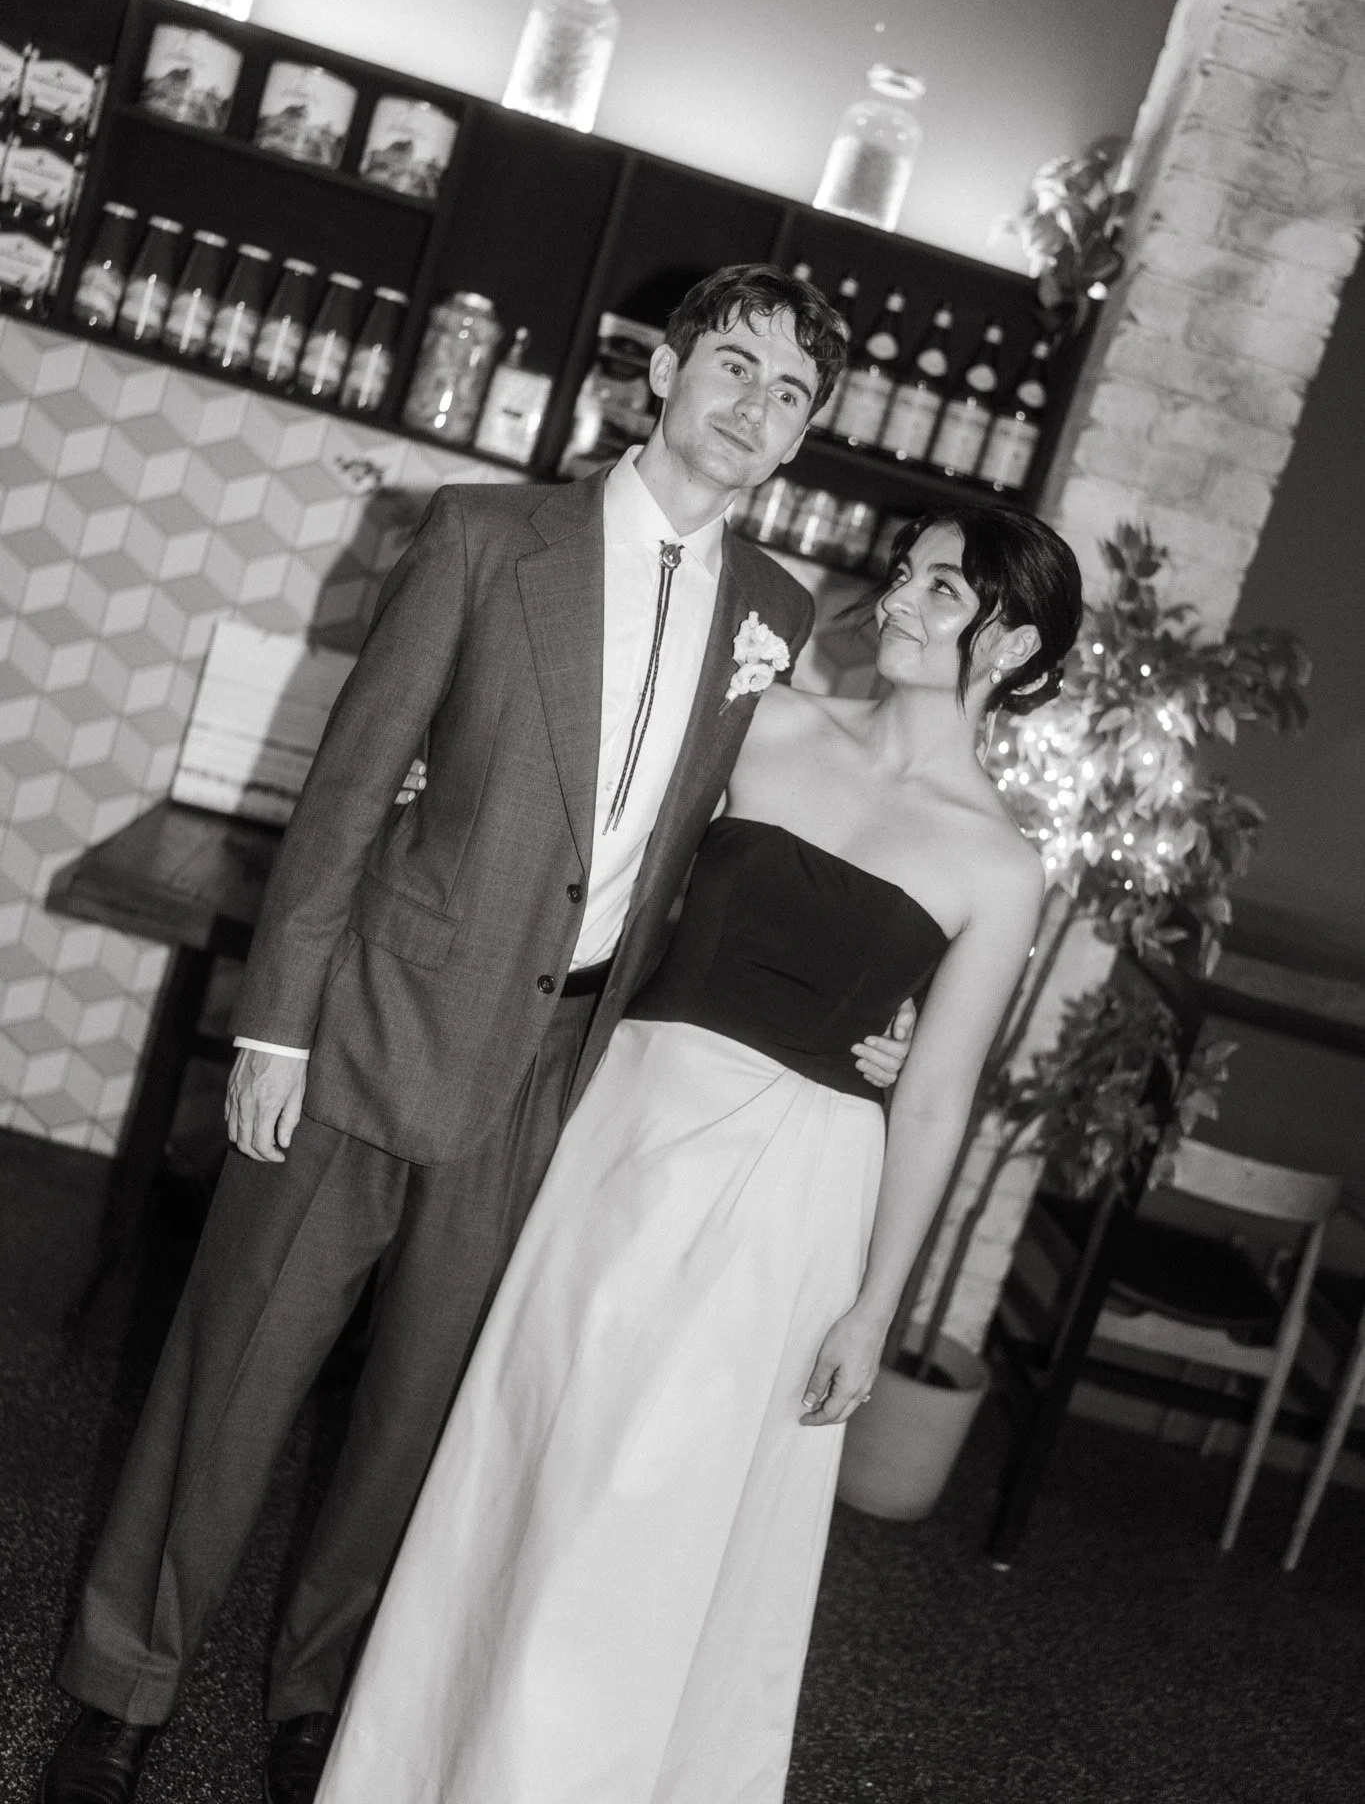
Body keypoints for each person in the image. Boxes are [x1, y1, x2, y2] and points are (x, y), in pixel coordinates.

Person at [41, 266, 914, 1804]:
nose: (755, 407)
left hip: (559, 1079)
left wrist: (866, 1008)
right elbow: (347, 789)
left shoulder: (778, 619)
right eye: (734, 366)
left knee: (427, 1421)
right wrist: (275, 1031)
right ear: (662, 373)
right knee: (231, 1374)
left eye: (791, 396)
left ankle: (329, 1702)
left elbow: (765, 851)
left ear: (800, 441)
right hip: (371, 1029)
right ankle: (124, 1693)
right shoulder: (484, 538)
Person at [313, 498, 1084, 1804]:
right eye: (904, 573)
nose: (897, 600)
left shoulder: (1001, 869)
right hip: (629, 1128)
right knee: (534, 1442)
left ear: (1012, 648)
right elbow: (610, 858)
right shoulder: (769, 725)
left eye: (943, 592)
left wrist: (876, 1309)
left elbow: (936, 1101)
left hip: (789, 1197)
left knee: (655, 1505)